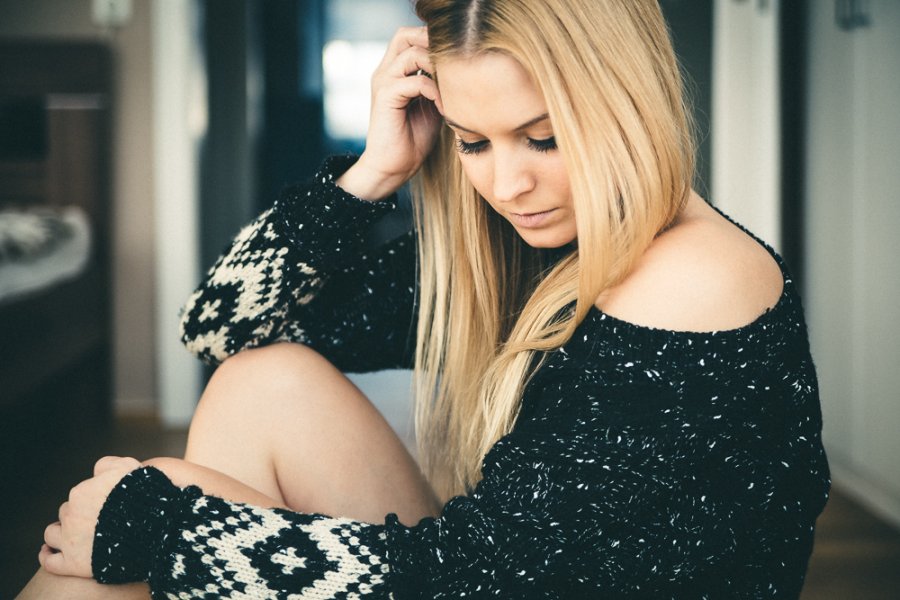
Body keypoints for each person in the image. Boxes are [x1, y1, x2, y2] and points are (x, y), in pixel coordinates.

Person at [19, 0, 830, 597]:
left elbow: (484, 583)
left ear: (626, 99)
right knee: (259, 380)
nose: (508, 185)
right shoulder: (527, 243)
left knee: (152, 508)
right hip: (488, 578)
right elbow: (219, 329)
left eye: (544, 138)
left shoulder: (693, 279)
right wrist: (368, 176)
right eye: (474, 142)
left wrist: (161, 535)